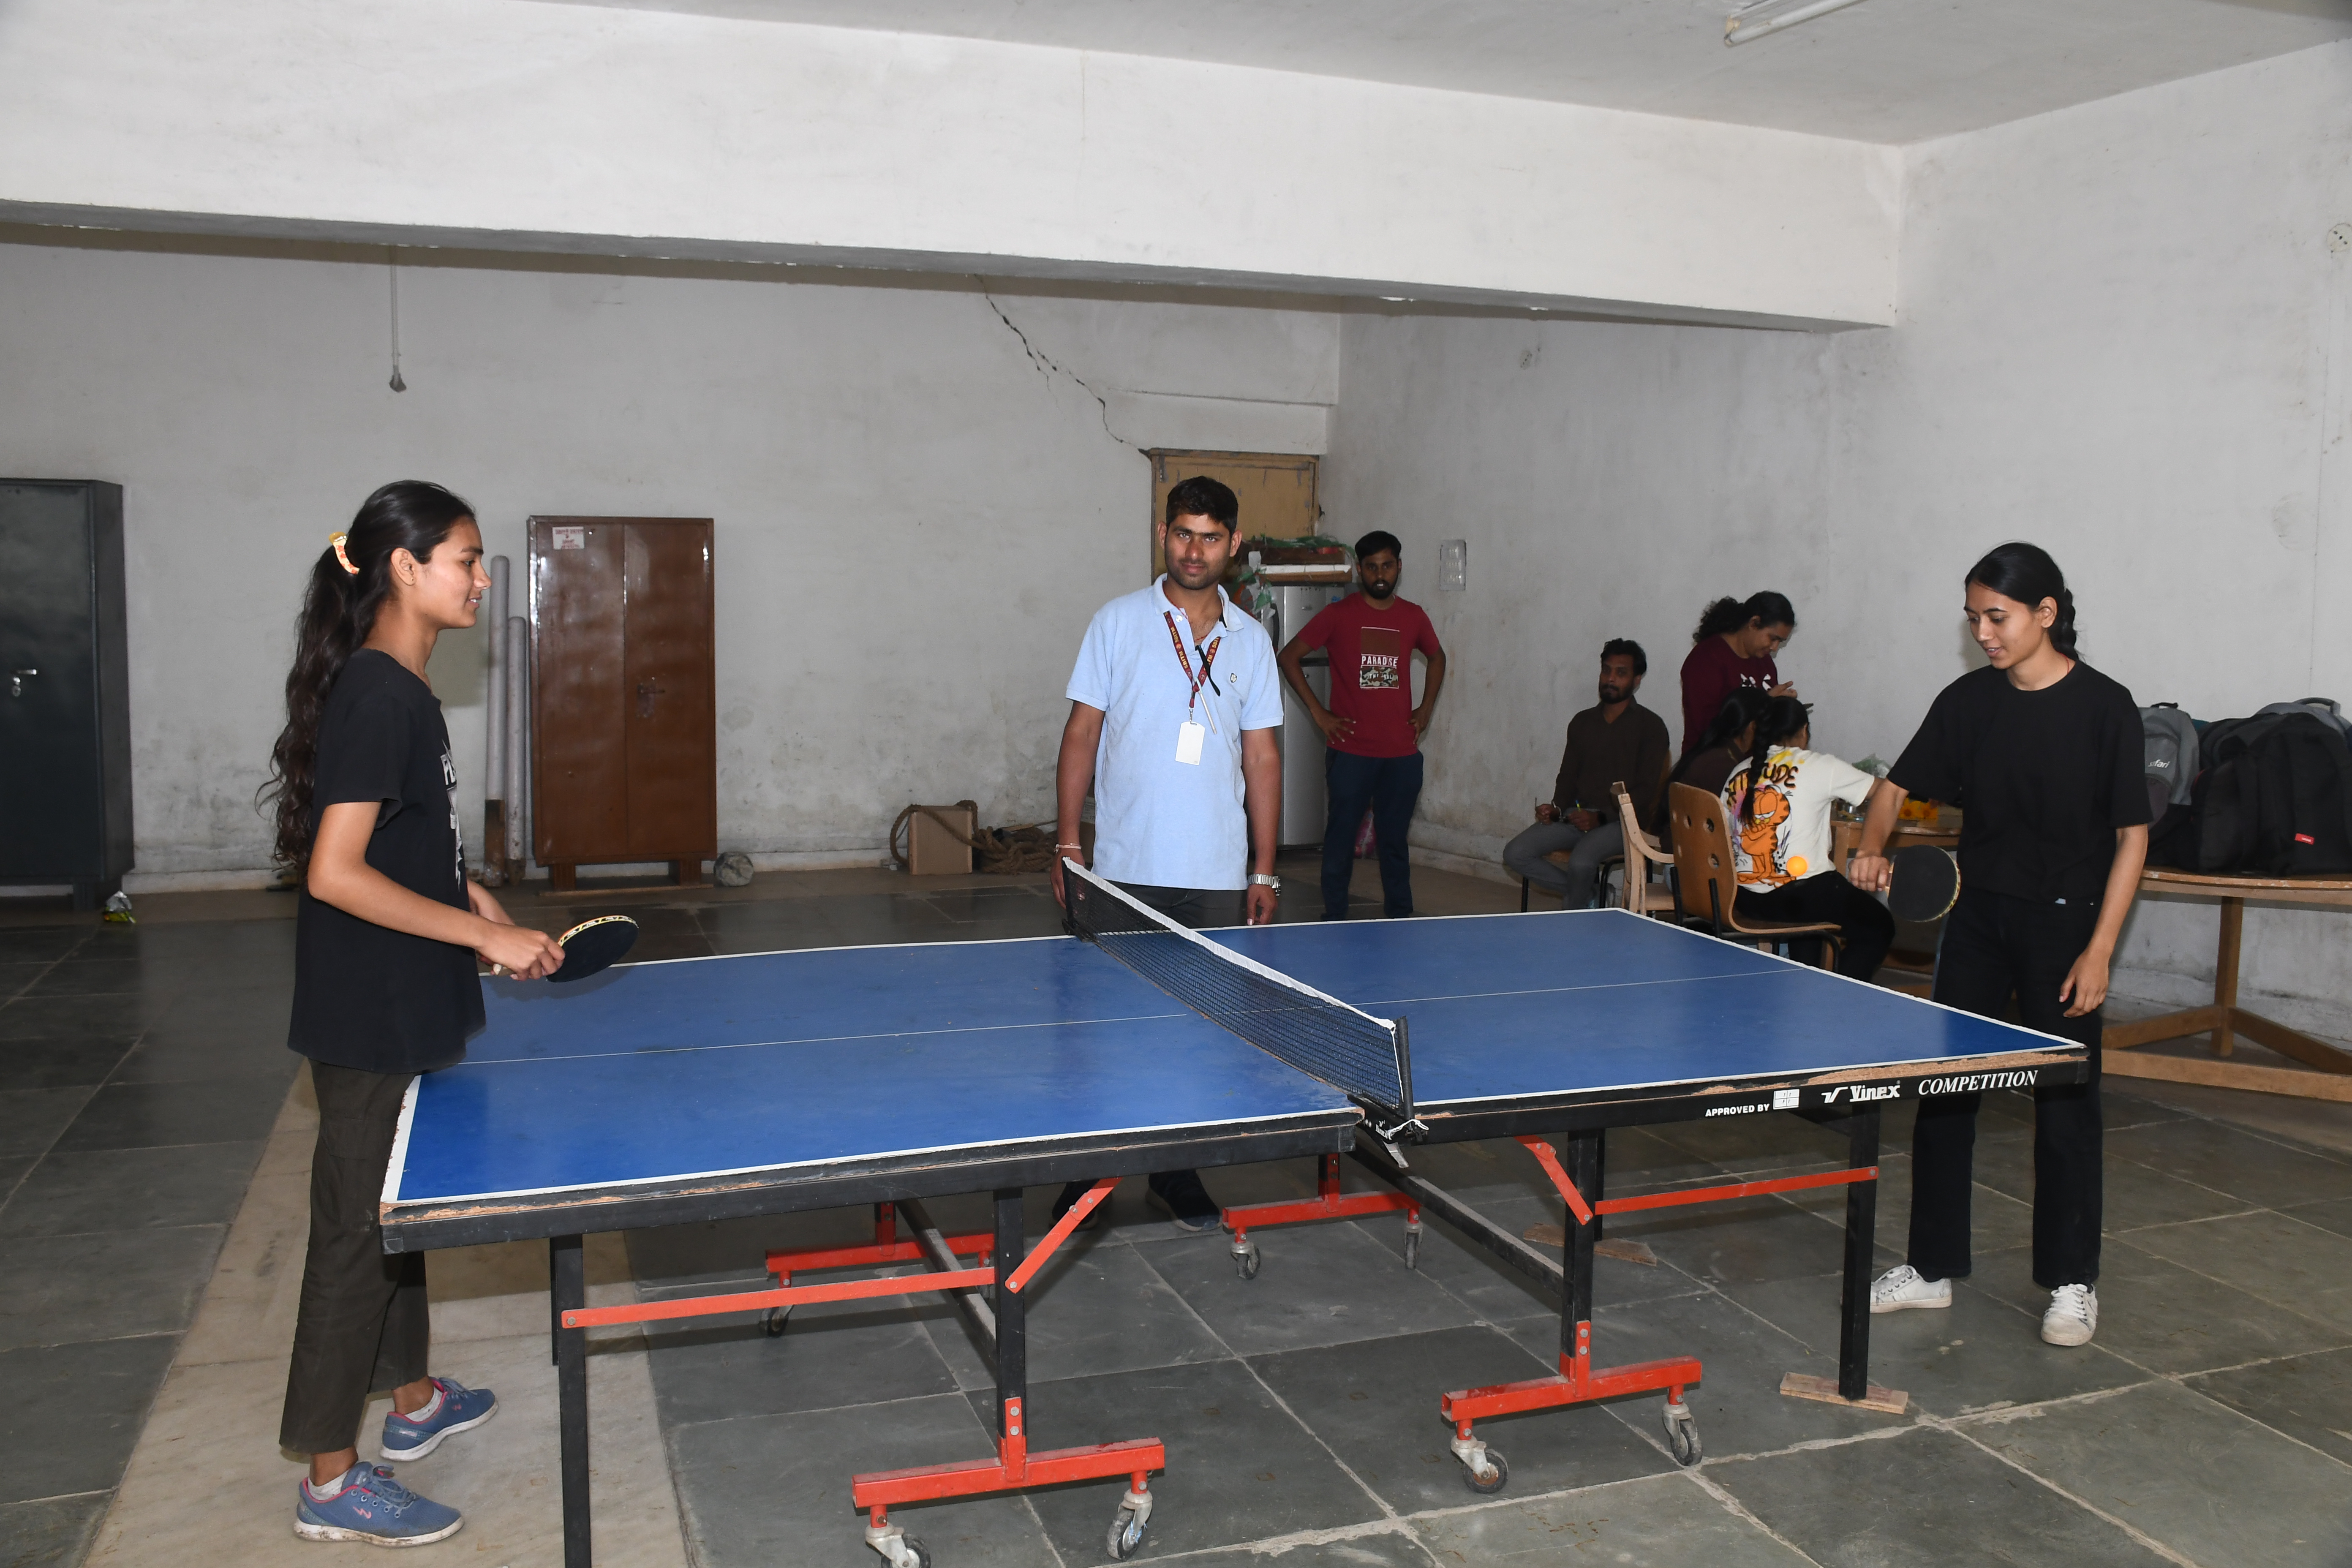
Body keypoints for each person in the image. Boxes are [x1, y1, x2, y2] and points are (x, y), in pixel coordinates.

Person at [266, 482, 565, 1545]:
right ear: (404, 567)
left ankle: (412, 1401)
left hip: (401, 999)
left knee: (398, 1212)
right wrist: (485, 940)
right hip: (368, 1015)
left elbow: (406, 845)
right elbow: (336, 873)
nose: (482, 579)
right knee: (354, 1237)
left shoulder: (401, 689)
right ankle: (330, 1478)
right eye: (467, 559)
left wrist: (472, 897)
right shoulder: (381, 696)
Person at [1851, 542, 2148, 1349]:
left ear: (2044, 614)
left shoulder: (2104, 707)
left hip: (2065, 926)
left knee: (2064, 1104)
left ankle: (2070, 1281)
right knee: (1946, 1092)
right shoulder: (1968, 702)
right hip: (1977, 919)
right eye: (1973, 617)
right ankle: (1930, 1266)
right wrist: (1874, 842)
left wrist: (2099, 950)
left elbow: (2130, 838)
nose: (1982, 632)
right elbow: (1891, 786)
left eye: (1997, 616)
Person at [1051, 474, 1284, 1231]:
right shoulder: (1117, 623)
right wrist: (1066, 842)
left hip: (1215, 876)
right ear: (1163, 534)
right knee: (1105, 1033)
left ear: (1233, 545)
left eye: (1210, 537)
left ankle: (1175, 1176)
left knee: (1199, 1034)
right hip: (1122, 870)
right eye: (1183, 533)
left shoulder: (1250, 641)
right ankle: (1085, 1178)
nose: (1195, 549)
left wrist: (1263, 866)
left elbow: (1263, 761)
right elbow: (1081, 734)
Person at [1276, 530, 1447, 919]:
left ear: (1399, 568)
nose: (1380, 574)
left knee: (1394, 845)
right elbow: (1289, 657)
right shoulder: (1338, 615)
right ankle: (1334, 918)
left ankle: (1400, 918)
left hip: (1401, 754)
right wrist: (1319, 714)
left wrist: (1426, 709)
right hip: (1351, 751)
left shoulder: (1413, 616)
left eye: (1387, 566)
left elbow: (1437, 659)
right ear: (1360, 571)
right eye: (1371, 567)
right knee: (1339, 842)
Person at [1719, 695, 1894, 980]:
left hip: (1744, 897)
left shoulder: (1740, 770)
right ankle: (1838, 992)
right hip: (1799, 899)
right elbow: (1886, 792)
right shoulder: (1818, 765)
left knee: (1812, 913)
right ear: (1804, 732)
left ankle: (1805, 983)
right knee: (1879, 926)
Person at [1502, 640, 1669, 909]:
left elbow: (1647, 792)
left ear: (1637, 680)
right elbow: (1567, 776)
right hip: (1575, 815)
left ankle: (1575, 923)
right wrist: (1556, 810)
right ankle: (1593, 895)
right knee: (1516, 853)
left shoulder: (1651, 727)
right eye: (1606, 671)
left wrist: (1601, 817)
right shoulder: (1583, 722)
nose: (1611, 679)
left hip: (1623, 823)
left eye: (1621, 673)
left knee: (1581, 861)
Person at [1679, 591, 1798, 752]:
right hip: (1710, 763)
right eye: (1773, 638)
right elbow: (1708, 728)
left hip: (1752, 764)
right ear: (1754, 623)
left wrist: (1784, 709)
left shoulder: (1764, 662)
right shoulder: (1707, 659)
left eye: (1780, 642)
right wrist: (1765, 704)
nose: (1774, 647)